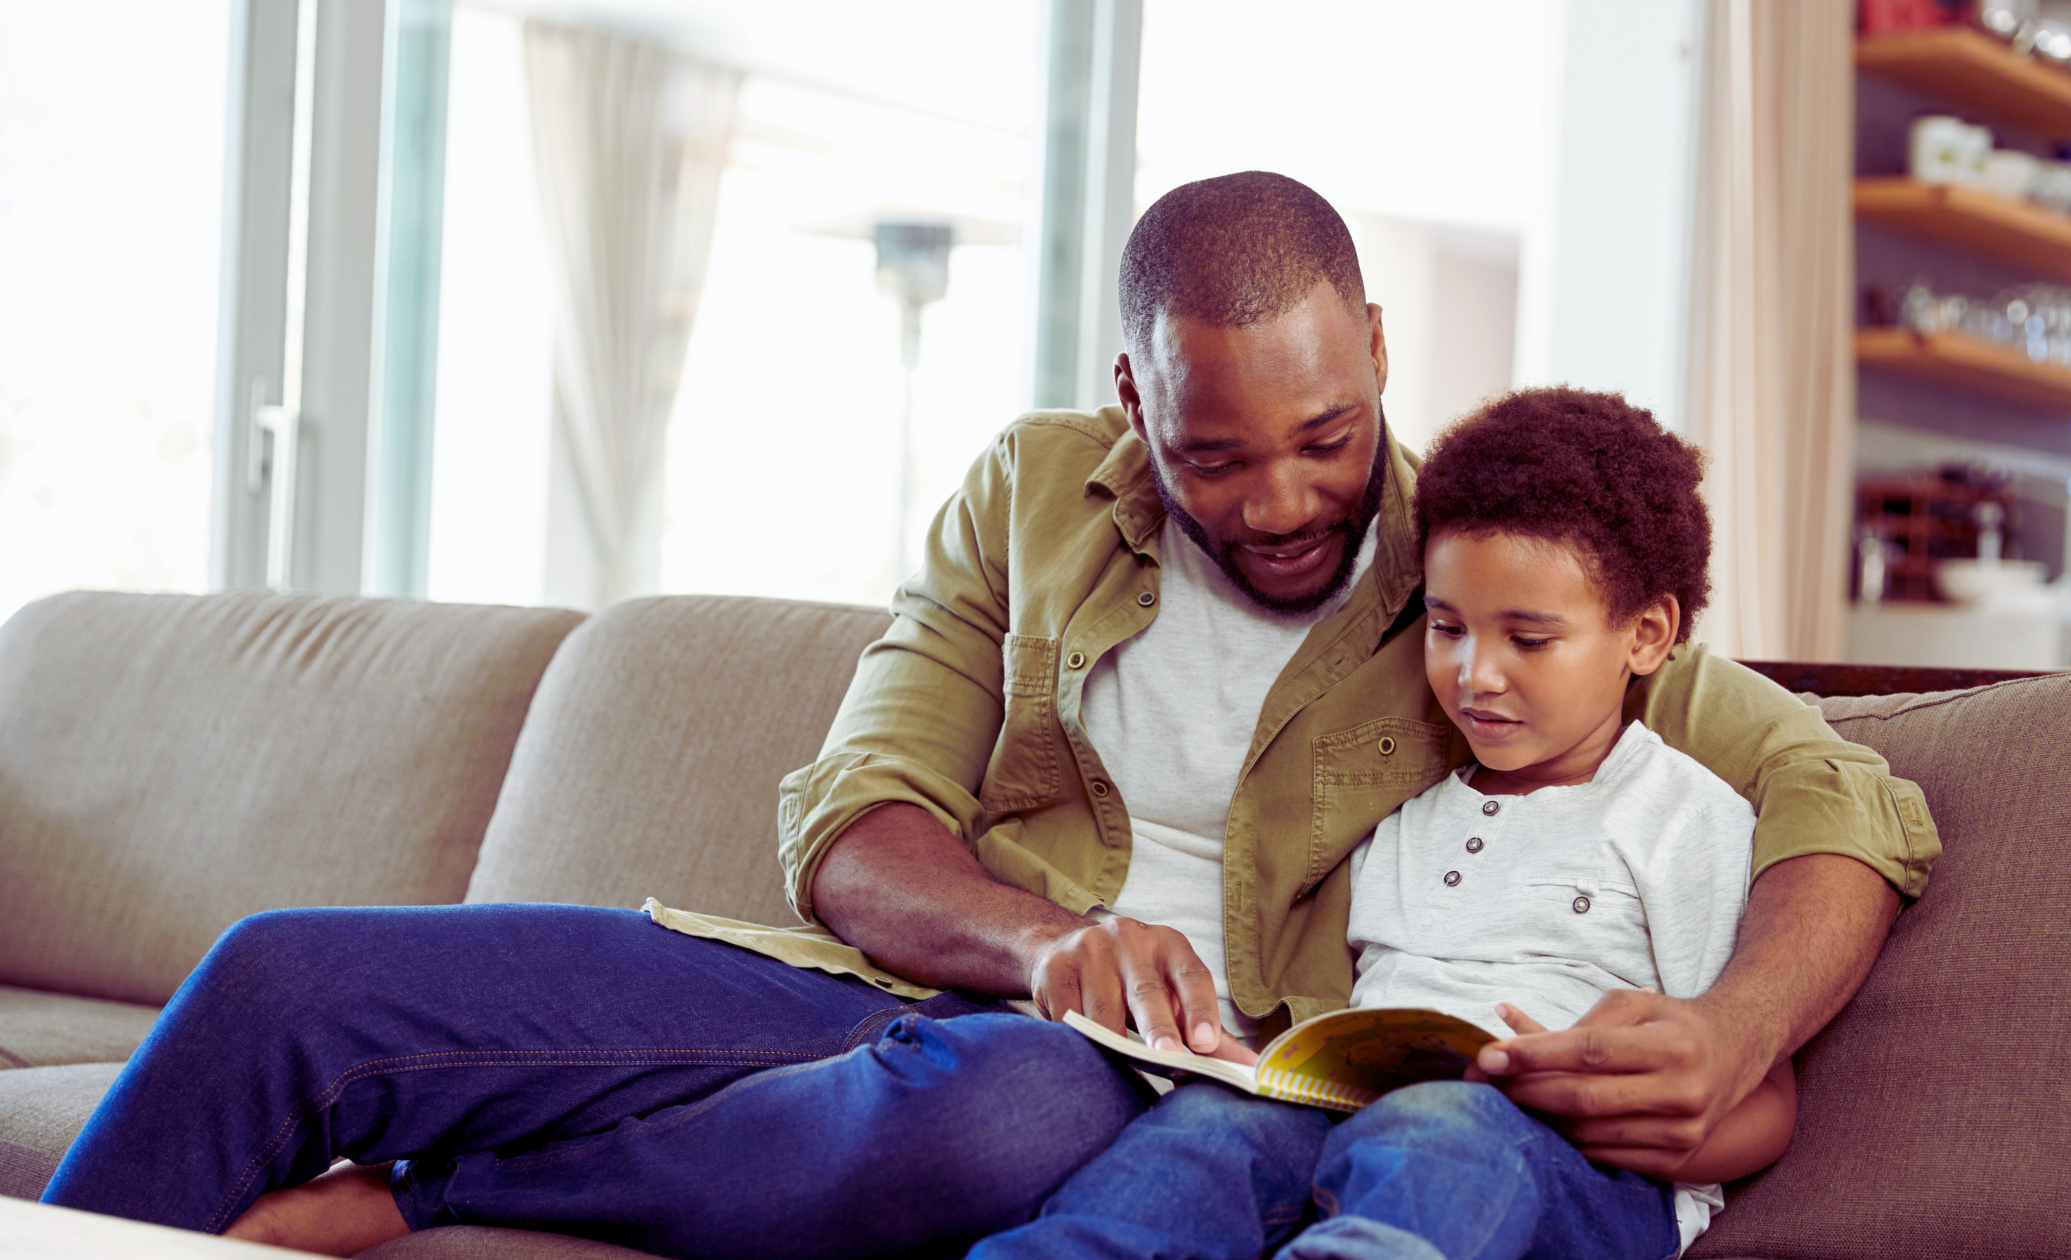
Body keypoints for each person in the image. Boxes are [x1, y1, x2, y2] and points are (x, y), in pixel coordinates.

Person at [43, 172, 1936, 1259]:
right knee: (290, 979)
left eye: (1328, 440)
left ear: (1377, 350)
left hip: (1173, 1084)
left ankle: (439, 1177)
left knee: (1009, 1125)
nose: (1280, 502)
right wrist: (1043, 943)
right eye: (1212, 454)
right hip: (911, 996)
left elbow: (1843, 794)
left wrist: (1733, 1030)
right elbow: (856, 815)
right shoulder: (1028, 497)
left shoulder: (1490, 588)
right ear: (1129, 394)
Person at [972, 388, 1791, 1260]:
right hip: (1359, 1122)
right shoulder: (1404, 813)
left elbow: (1765, 1100)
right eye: (1447, 628)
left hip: (1574, 1171)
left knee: (1447, 1129)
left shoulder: (1683, 817)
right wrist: (1263, 1069)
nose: (1476, 675)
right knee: (1205, 1130)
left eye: (1530, 640)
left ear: (1647, 635)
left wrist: (1608, 1111)